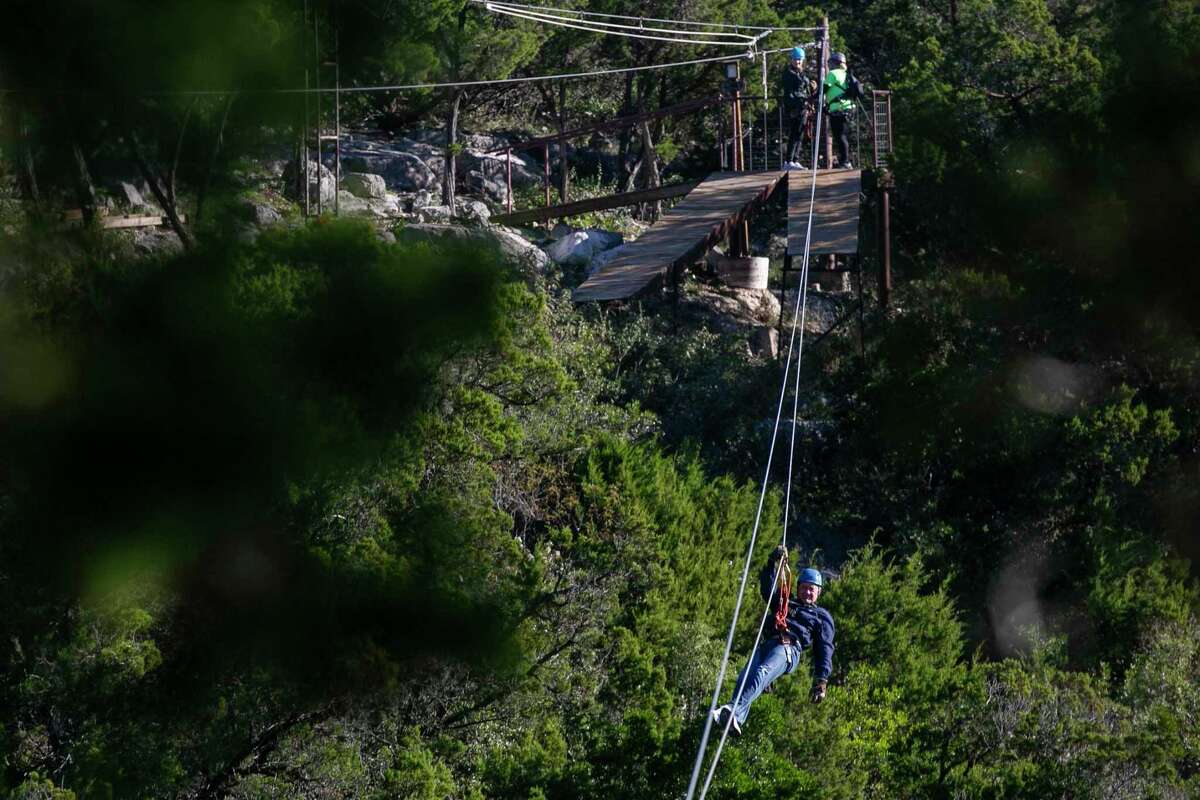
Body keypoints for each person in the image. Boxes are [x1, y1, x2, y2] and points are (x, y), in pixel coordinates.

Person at [713, 547, 834, 735]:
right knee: (746, 675)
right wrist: (772, 561)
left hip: (788, 648)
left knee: (763, 671)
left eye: (811, 589)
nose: (807, 592)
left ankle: (733, 711)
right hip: (767, 644)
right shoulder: (786, 602)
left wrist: (821, 680)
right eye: (803, 588)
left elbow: (824, 648)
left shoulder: (820, 616)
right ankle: (736, 717)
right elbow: (767, 589)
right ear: (798, 588)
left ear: (818, 592)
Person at [780, 46, 814, 169]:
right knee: (794, 134)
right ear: (791, 60)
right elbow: (791, 93)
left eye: (799, 59)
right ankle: (789, 161)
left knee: (799, 134)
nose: (798, 62)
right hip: (795, 108)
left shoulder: (801, 73)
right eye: (795, 59)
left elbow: (803, 88)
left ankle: (795, 159)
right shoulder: (789, 73)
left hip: (802, 107)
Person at [823, 52, 855, 169]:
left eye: (829, 63)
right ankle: (845, 161)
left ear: (834, 63)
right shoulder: (846, 74)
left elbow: (824, 89)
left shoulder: (833, 73)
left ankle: (845, 162)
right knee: (843, 136)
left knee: (840, 136)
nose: (828, 65)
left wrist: (812, 97)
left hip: (839, 109)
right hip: (848, 108)